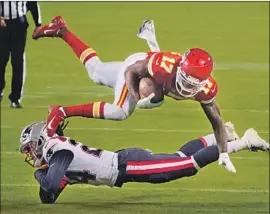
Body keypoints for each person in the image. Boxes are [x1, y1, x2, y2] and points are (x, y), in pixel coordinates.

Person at [33, 17, 232, 172]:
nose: (186, 87)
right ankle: (61, 111)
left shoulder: (206, 90)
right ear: (180, 68)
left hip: (153, 74)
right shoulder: (162, 67)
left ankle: (61, 30)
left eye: (192, 84)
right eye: (184, 79)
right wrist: (136, 98)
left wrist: (223, 153)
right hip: (137, 67)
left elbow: (217, 121)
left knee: (96, 72)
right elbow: (131, 72)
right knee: (121, 110)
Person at [19, 120, 269, 204]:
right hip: (125, 163)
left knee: (185, 167)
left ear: (41, 140)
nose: (31, 154)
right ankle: (221, 133)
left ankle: (245, 141)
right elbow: (48, 198)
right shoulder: (55, 156)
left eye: (30, 147)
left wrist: (39, 175)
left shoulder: (56, 151)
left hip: (125, 165)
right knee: (179, 158)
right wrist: (42, 174)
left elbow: (50, 184)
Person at [0, 1, 42, 108]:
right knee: (1, 59)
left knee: (18, 60)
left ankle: (15, 98)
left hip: (19, 24)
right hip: (2, 24)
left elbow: (32, 3)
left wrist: (38, 24)